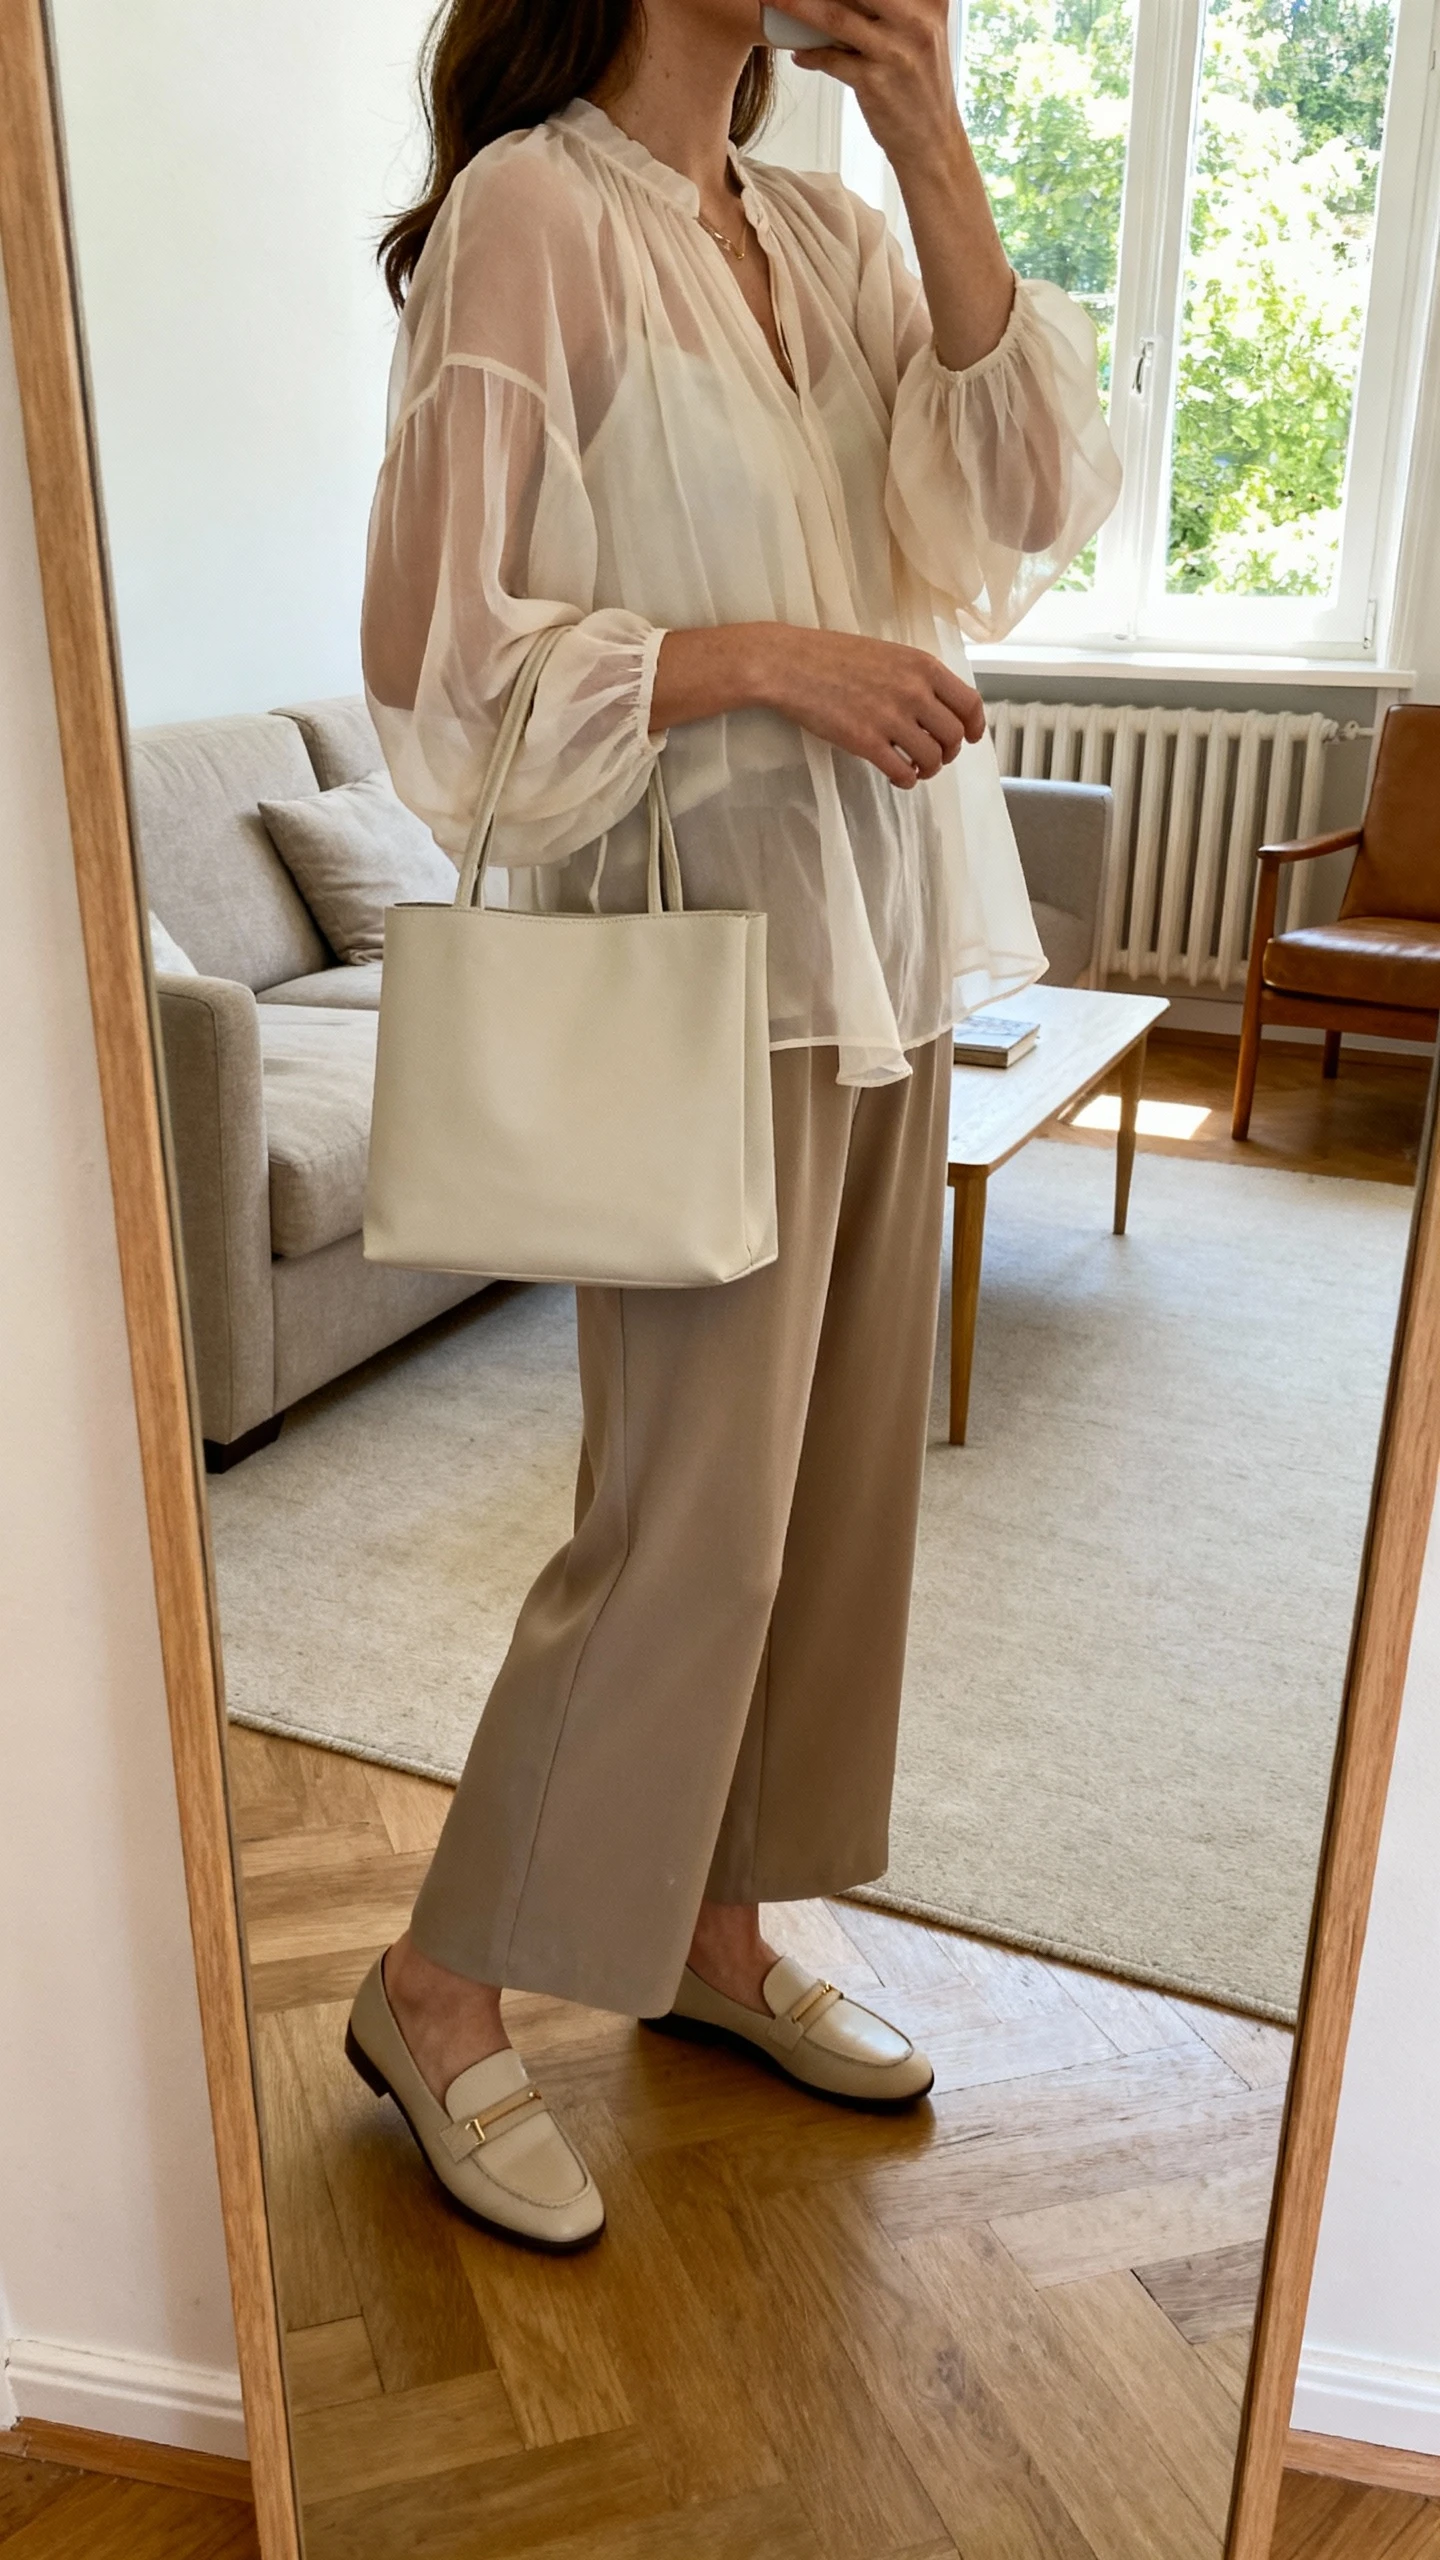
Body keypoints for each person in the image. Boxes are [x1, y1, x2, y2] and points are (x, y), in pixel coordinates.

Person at [347, 0, 1120, 2250]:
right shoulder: (534, 215)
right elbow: (433, 653)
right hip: (696, 963)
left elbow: (1027, 500)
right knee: (688, 1519)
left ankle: (709, 1922)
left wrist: (935, 131)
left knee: (833, 1496)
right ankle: (439, 1978)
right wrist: (763, 656)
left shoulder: (831, 223)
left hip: (877, 938)